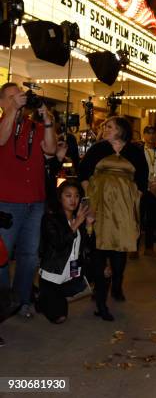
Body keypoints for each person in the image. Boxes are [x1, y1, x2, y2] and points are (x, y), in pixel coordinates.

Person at [79, 116, 148, 321]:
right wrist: (88, 199)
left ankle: (117, 282)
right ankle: (100, 295)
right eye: (105, 127)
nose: (105, 129)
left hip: (124, 208)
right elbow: (83, 174)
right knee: (99, 247)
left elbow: (142, 179)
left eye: (109, 126)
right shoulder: (98, 148)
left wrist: (134, 200)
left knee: (120, 249)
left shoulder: (135, 151)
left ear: (121, 130)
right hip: (99, 203)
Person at [0, 82, 57, 319]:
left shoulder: (35, 126)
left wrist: (48, 120)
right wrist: (13, 110)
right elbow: (1, 139)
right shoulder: (3, 123)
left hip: (35, 202)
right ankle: (3, 303)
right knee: (2, 257)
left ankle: (22, 300)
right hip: (6, 202)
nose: (19, 101)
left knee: (29, 255)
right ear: (2, 103)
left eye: (20, 97)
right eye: (12, 98)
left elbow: (51, 150)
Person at [37, 180, 95, 324]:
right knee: (59, 317)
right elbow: (58, 244)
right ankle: (43, 297)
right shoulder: (50, 219)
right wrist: (76, 224)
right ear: (60, 198)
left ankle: (51, 297)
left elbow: (88, 246)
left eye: (76, 196)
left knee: (100, 274)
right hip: (53, 273)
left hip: (72, 270)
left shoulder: (79, 218)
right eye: (68, 195)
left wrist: (88, 225)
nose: (73, 200)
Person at [133, 125, 156, 259]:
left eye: (153, 133)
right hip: (141, 189)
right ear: (144, 135)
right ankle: (134, 248)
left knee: (152, 219)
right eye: (148, 133)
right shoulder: (138, 151)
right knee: (137, 219)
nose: (151, 136)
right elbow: (134, 170)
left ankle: (149, 248)